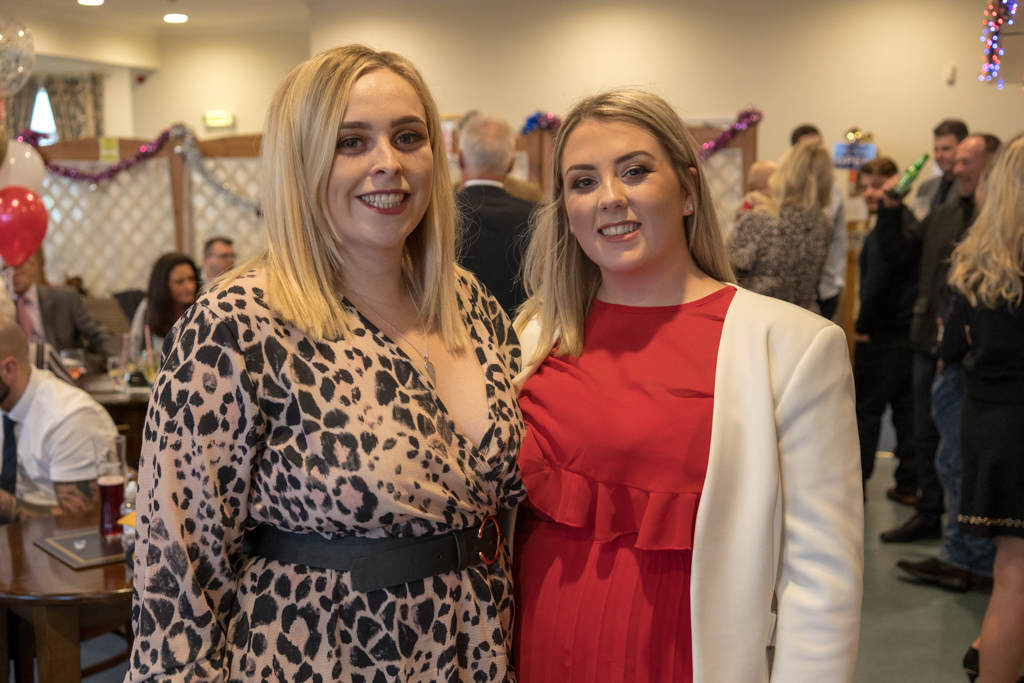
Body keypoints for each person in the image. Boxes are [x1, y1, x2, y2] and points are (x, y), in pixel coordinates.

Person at [126, 45, 525, 683]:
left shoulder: (468, 303)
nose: (388, 163)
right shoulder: (237, 324)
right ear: (300, 160)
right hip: (323, 655)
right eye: (351, 142)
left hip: (476, 647)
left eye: (408, 137)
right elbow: (177, 570)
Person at [511, 88, 863, 682]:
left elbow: (821, 580)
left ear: (689, 192)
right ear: (565, 209)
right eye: (583, 182)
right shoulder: (534, 336)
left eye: (635, 171)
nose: (610, 197)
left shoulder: (792, 347)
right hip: (533, 658)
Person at [877, 134, 1001, 543]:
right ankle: (929, 512)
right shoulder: (944, 215)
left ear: (991, 164)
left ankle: (967, 541)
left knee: (960, 447)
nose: (957, 168)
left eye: (967, 161)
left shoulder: (997, 223)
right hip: (928, 340)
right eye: (955, 160)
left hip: (972, 355)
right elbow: (902, 252)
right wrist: (890, 210)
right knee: (924, 434)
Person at [946, 134, 1024, 683]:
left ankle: (988, 654)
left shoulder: (981, 254)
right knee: (1016, 574)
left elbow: (955, 341)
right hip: (1015, 421)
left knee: (1012, 569)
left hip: (989, 417)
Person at [0, 316, 118, 524]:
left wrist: (4, 503)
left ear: (8, 369)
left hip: (58, 539)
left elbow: (82, 519)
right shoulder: (5, 402)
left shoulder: (71, 417)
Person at [854, 157, 918, 503]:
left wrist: (862, 327)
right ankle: (908, 485)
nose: (869, 193)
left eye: (876, 186)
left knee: (867, 412)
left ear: (894, 183)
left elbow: (876, 285)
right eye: (865, 186)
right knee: (907, 413)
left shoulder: (887, 228)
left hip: (881, 334)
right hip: (907, 333)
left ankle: (857, 488)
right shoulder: (909, 222)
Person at [726, 138, 836, 313]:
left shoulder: (759, 221)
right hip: (805, 317)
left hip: (760, 318)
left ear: (784, 175)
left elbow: (724, 268)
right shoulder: (825, 223)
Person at [456, 113, 537, 316]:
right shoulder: (538, 218)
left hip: (450, 332)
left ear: (460, 159)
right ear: (511, 163)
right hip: (520, 332)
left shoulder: (434, 216)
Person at [5, 250, 119, 360]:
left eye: (18, 267)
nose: (13, 274)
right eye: (5, 269)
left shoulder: (64, 297)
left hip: (68, 368)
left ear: (33, 265)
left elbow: (97, 334)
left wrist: (118, 361)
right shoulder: (4, 309)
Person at [791, 124, 847, 320]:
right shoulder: (786, 190)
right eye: (808, 149)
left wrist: (839, 279)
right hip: (793, 292)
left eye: (819, 147)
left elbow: (839, 236)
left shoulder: (833, 190)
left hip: (827, 287)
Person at [127, 252, 199, 362]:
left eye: (191, 278)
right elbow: (135, 352)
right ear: (163, 284)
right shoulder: (148, 308)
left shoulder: (203, 307)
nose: (189, 287)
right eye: (179, 282)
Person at [913, 119, 969, 220]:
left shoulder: (968, 186)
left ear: (962, 148)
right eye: (936, 149)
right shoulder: (925, 187)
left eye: (946, 149)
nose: (939, 155)